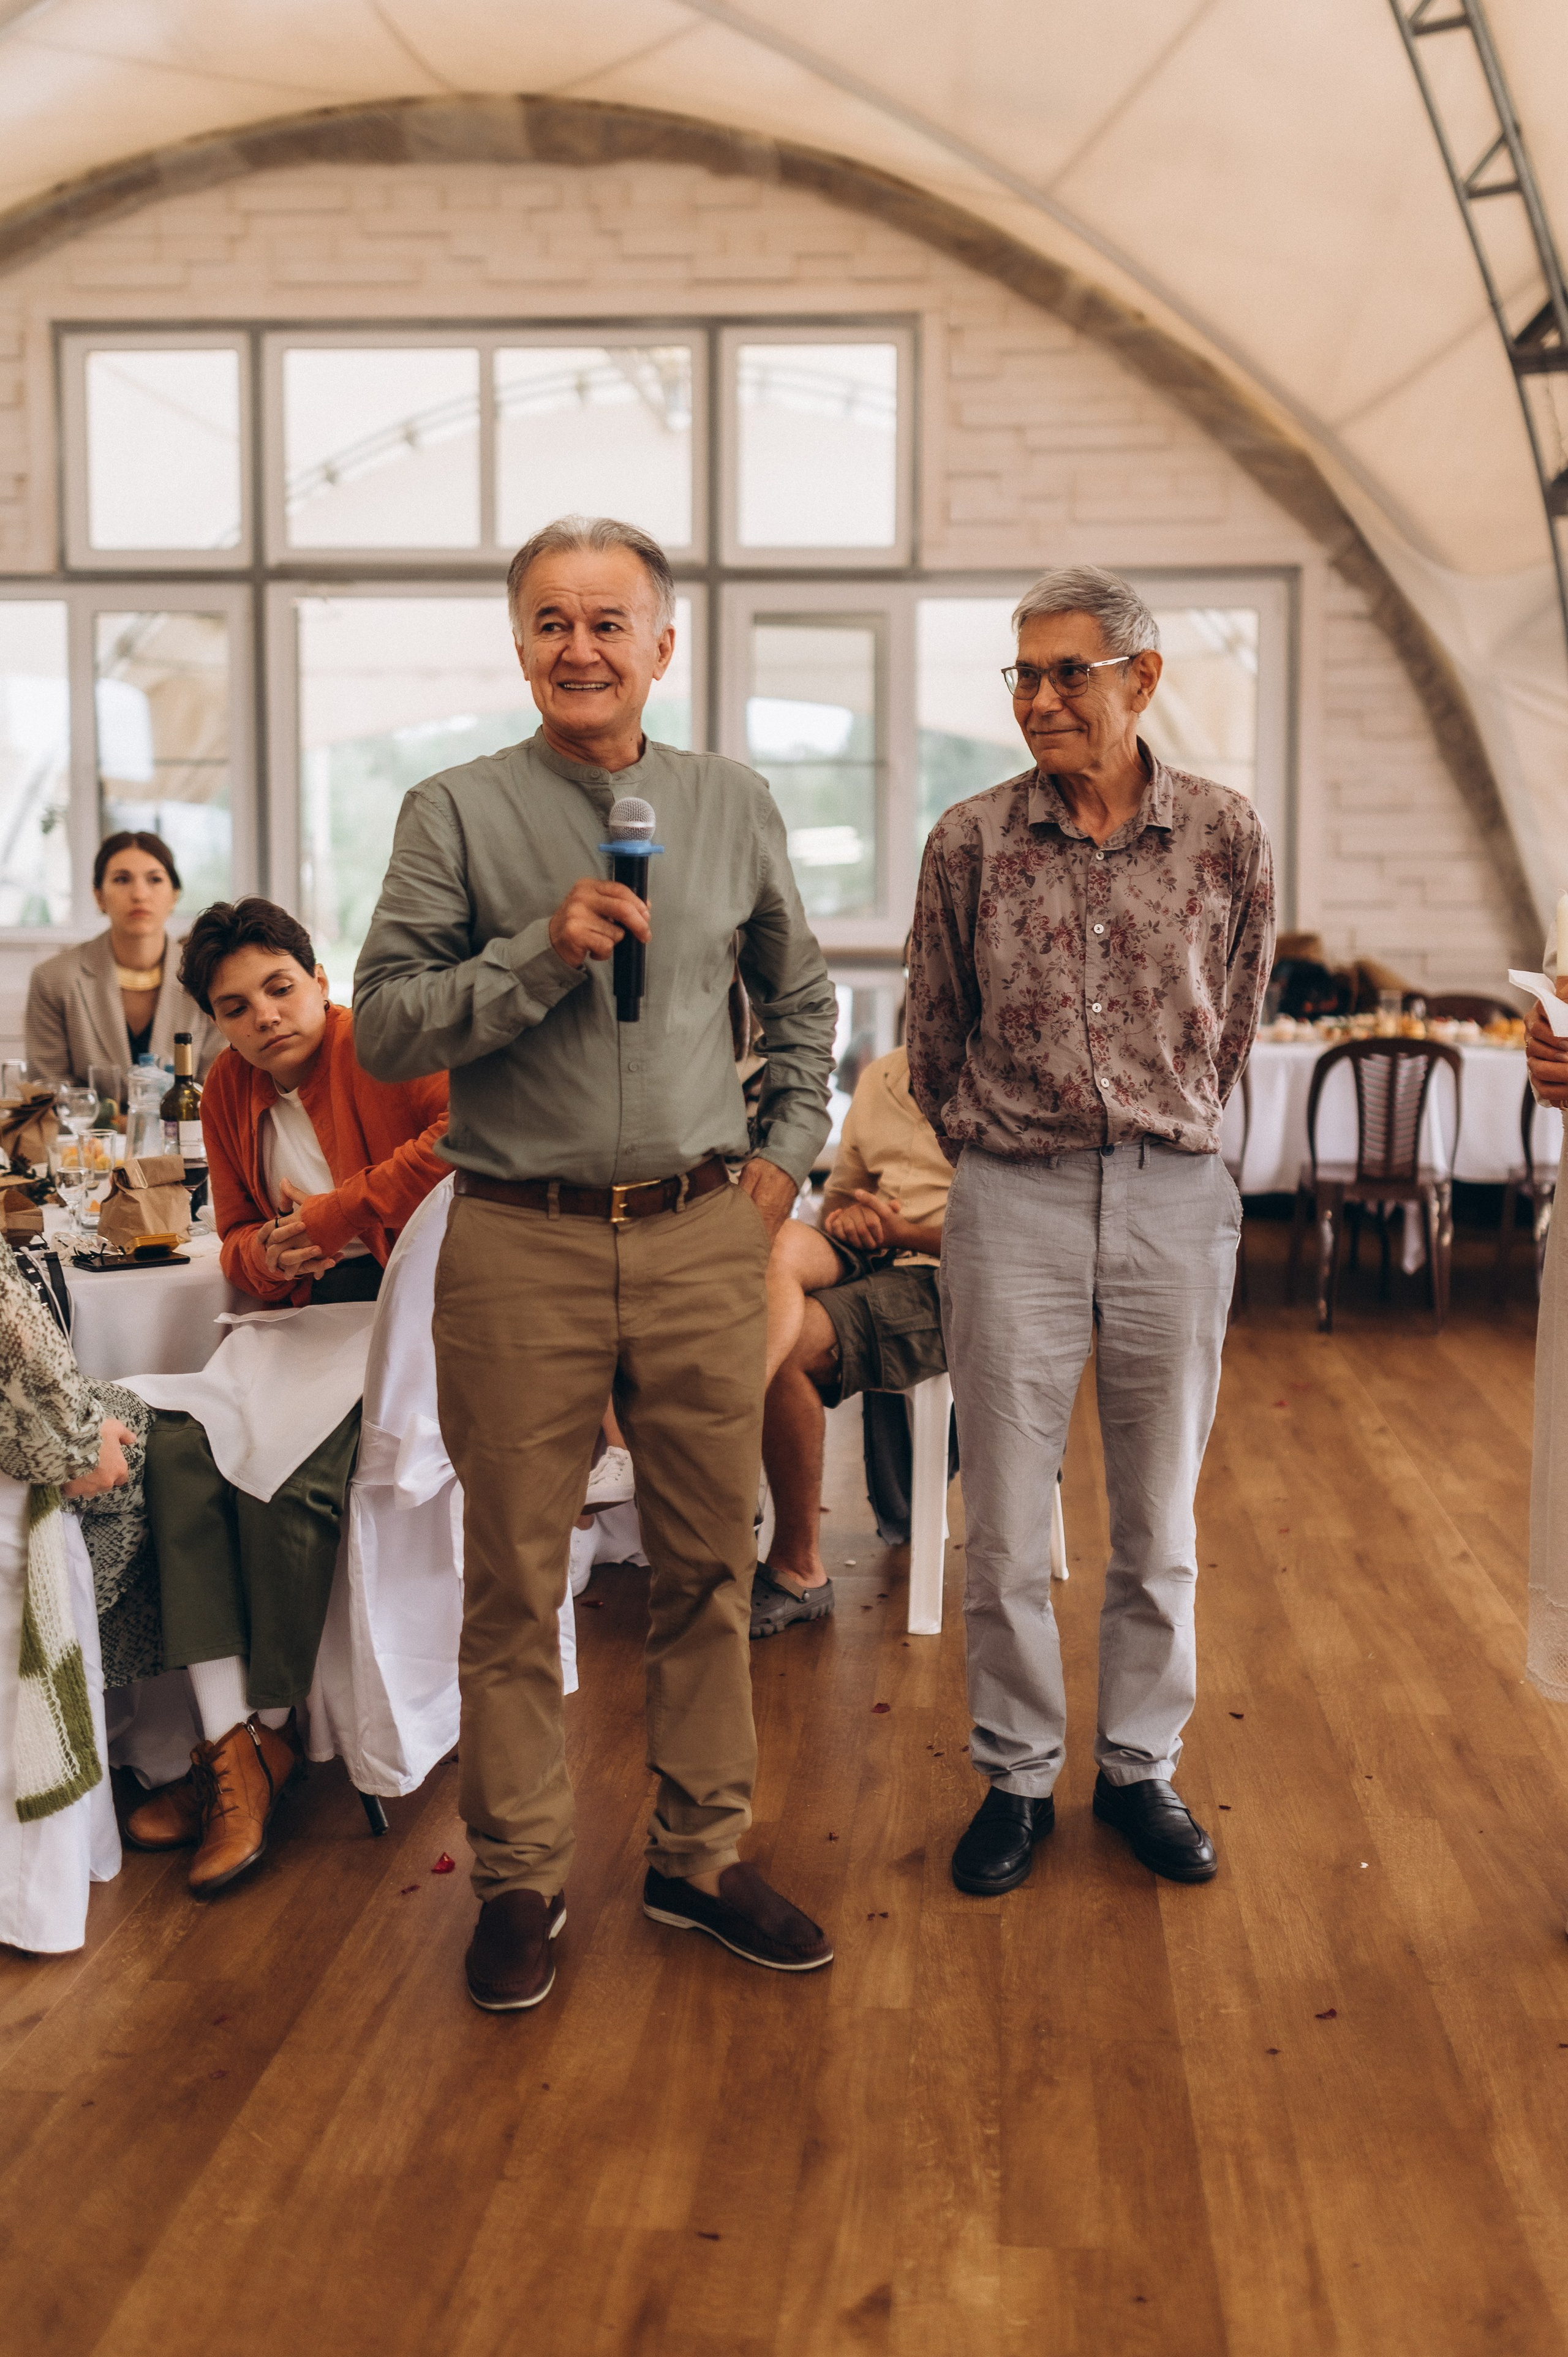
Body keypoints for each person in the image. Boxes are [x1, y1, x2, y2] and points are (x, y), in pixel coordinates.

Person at [353, 513, 839, 2012]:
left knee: (705, 1561)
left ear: (661, 646)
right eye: (552, 622)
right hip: (516, 1241)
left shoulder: (733, 802)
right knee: (512, 1574)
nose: (581, 647)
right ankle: (515, 1881)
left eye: (608, 621)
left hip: (702, 1232)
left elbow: (802, 1004)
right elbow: (381, 1024)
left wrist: (774, 1167)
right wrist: (534, 955)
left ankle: (697, 1860)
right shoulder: (452, 811)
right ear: (520, 647)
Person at [907, 565, 1273, 1899]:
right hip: (1013, 1198)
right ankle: (1013, 1775)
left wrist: (1160, 1136)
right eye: (1023, 673)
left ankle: (1135, 1766)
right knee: (1002, 1523)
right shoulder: (968, 841)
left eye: (1068, 671)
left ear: (1141, 677)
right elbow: (929, 1040)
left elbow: (1230, 1021)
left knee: (1157, 1514)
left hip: (1174, 1199)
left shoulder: (1224, 835)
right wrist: (1006, 1162)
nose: (1041, 698)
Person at [124, 897, 450, 1896]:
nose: (265, 1015)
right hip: (297, 1322)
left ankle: (264, 1734)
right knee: (177, 1448)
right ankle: (235, 1749)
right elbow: (229, 1236)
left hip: (404, 1317)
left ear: (319, 979)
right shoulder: (228, 1088)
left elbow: (465, 1135)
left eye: (279, 987)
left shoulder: (383, 1044)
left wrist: (339, 1209)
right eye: (236, 1005)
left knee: (289, 1478)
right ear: (215, 1023)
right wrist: (263, 1251)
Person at [753, 1031, 952, 1638]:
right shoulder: (883, 1075)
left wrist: (907, 1233)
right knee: (779, 1241)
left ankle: (798, 1566)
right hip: (873, 1249)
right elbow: (840, 1191)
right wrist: (849, 1215)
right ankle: (725, 1412)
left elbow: (1020, 1237)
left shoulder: (1011, 1079)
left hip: (946, 1270)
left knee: (787, 1348)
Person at [24, 831, 222, 1085]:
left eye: (155, 879)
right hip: (88, 1127)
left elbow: (219, 1087)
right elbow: (48, 1085)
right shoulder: (53, 979)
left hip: (189, 1126)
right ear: (99, 897)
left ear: (174, 895)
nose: (139, 894)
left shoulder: (208, 973)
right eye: (121, 879)